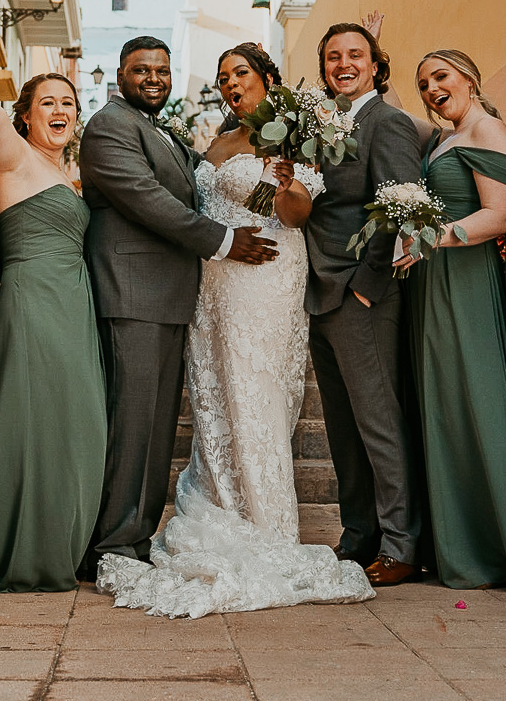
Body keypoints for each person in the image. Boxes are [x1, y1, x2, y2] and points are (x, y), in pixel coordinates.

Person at [98, 44, 373, 617]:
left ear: (267, 78)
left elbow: (296, 213)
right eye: (222, 76)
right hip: (213, 286)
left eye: (240, 73)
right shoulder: (215, 138)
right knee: (216, 403)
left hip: (264, 275)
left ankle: (266, 527)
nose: (229, 84)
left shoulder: (294, 135)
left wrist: (284, 180)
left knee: (256, 401)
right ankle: (220, 508)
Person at [80, 37, 278, 582]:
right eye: (141, 69)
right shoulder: (110, 126)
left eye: (163, 71)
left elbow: (207, 182)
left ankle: (134, 537)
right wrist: (221, 241)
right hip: (131, 291)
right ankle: (112, 546)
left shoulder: (161, 129)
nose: (154, 78)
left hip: (169, 296)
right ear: (119, 73)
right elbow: (147, 199)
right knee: (133, 423)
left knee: (157, 426)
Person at [0, 49, 107, 593]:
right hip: (33, 301)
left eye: (69, 103)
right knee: (30, 421)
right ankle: (21, 553)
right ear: (26, 115)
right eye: (48, 102)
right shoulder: (13, 153)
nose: (60, 110)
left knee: (78, 425)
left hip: (74, 305)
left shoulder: (67, 170)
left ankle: (58, 542)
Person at [399, 51, 506, 594]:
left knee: (480, 398)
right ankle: (462, 547)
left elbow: (501, 215)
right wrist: (375, 56)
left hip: (466, 279)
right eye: (424, 83)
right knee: (447, 404)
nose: (431, 89)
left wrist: (434, 237)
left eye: (440, 77)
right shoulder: (444, 137)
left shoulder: (488, 127)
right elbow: (394, 112)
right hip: (432, 280)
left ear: (468, 76)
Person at [304, 23, 425, 587]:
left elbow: (399, 205)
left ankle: (401, 542)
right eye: (334, 57)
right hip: (318, 294)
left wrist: (365, 284)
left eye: (355, 55)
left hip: (361, 295)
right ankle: (358, 536)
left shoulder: (388, 122)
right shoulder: (322, 123)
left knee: (378, 422)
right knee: (342, 427)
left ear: (376, 66)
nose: (343, 64)